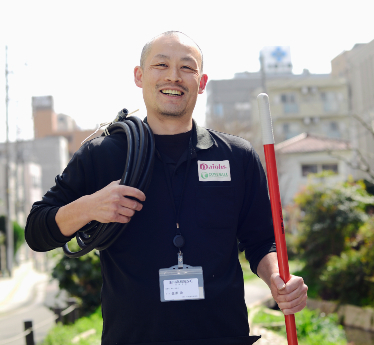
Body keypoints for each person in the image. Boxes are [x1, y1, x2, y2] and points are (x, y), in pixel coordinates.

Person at [25, 31, 308, 345]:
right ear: (139, 76)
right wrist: (90, 207)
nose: (174, 76)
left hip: (223, 335)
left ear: (201, 83)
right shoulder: (102, 155)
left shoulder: (236, 157)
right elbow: (37, 231)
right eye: (161, 65)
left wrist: (277, 279)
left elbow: (262, 240)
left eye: (187, 68)